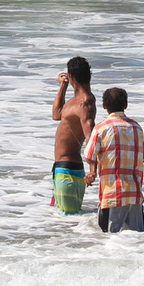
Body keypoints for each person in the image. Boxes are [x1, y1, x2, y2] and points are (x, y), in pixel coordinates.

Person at [84, 87, 144, 233]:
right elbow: (143, 156)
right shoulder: (137, 128)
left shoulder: (101, 128)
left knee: (108, 239)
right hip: (134, 194)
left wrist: (92, 173)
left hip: (112, 195)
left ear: (104, 106)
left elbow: (89, 155)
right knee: (137, 239)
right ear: (126, 105)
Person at [50, 56, 96, 215]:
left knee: (67, 222)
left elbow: (91, 137)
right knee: (63, 223)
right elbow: (56, 115)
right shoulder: (75, 101)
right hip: (62, 169)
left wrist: (93, 170)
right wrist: (63, 86)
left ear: (72, 77)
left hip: (68, 172)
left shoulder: (84, 104)